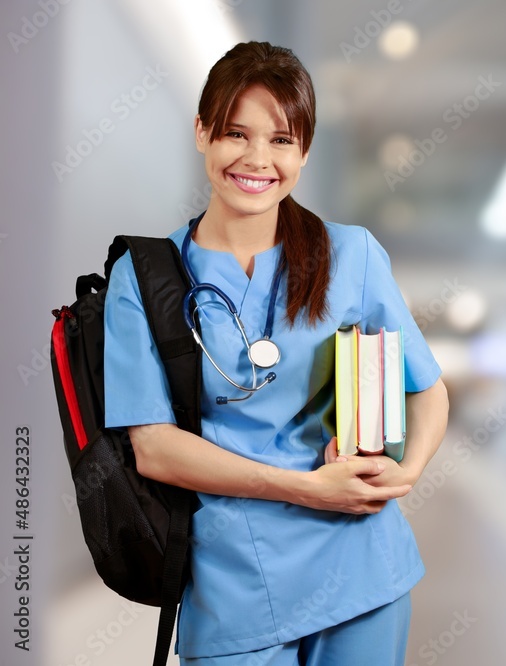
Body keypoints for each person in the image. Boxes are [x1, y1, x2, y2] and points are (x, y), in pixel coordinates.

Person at [102, 41, 449, 665]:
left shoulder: (351, 256)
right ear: (203, 132)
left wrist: (409, 471)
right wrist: (306, 488)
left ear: (304, 151)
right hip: (236, 583)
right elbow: (152, 447)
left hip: (362, 567)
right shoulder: (145, 276)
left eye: (282, 139)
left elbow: (426, 388)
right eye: (236, 133)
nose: (257, 159)